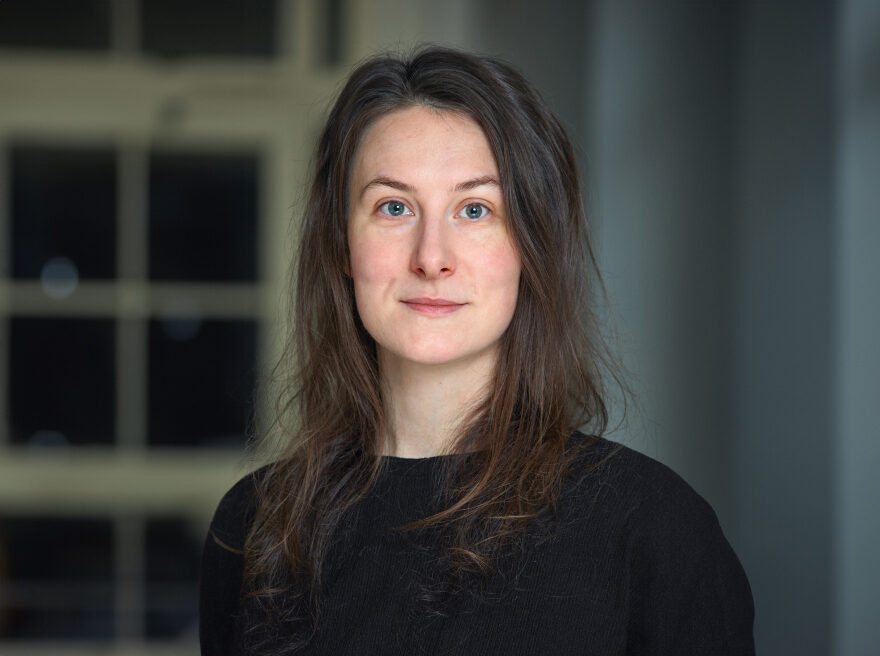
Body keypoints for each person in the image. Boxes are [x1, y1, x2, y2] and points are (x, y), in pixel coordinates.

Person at [199, 46, 754, 655]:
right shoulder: (253, 527)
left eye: (474, 209)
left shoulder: (654, 528)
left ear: (531, 247)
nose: (431, 257)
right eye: (393, 207)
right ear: (341, 245)